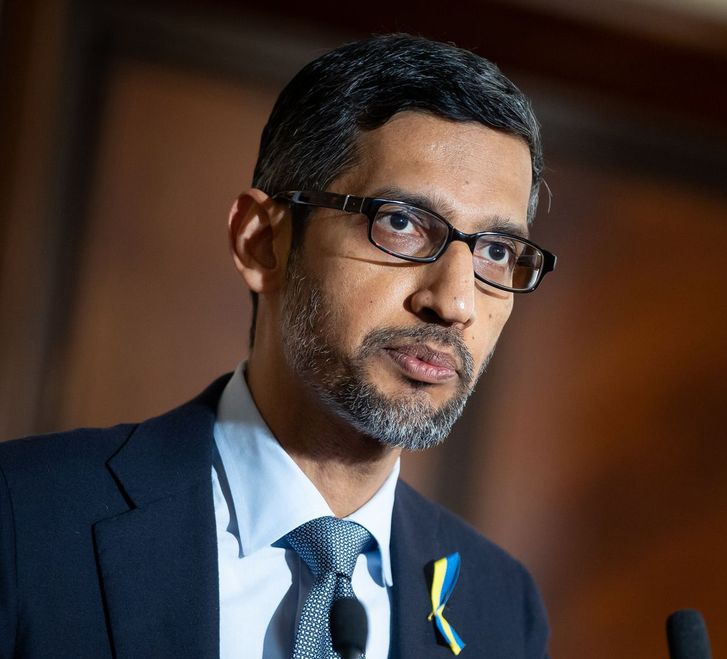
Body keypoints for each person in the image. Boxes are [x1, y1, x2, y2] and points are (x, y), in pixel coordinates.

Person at [0, 33, 556, 659]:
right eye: (400, 223)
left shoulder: (501, 607)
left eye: (497, 252)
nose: (454, 303)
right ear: (261, 242)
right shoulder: (24, 514)